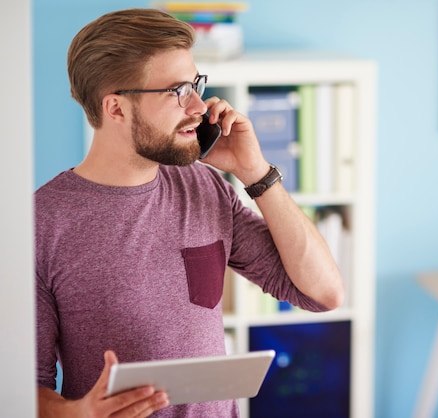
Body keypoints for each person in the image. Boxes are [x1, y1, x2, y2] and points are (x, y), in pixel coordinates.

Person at [35, 8, 344, 418]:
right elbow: (21, 387)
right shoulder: (41, 223)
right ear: (116, 109)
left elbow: (322, 294)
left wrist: (256, 174)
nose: (200, 106)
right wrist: (78, 413)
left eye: (196, 84)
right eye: (177, 90)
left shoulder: (205, 188)